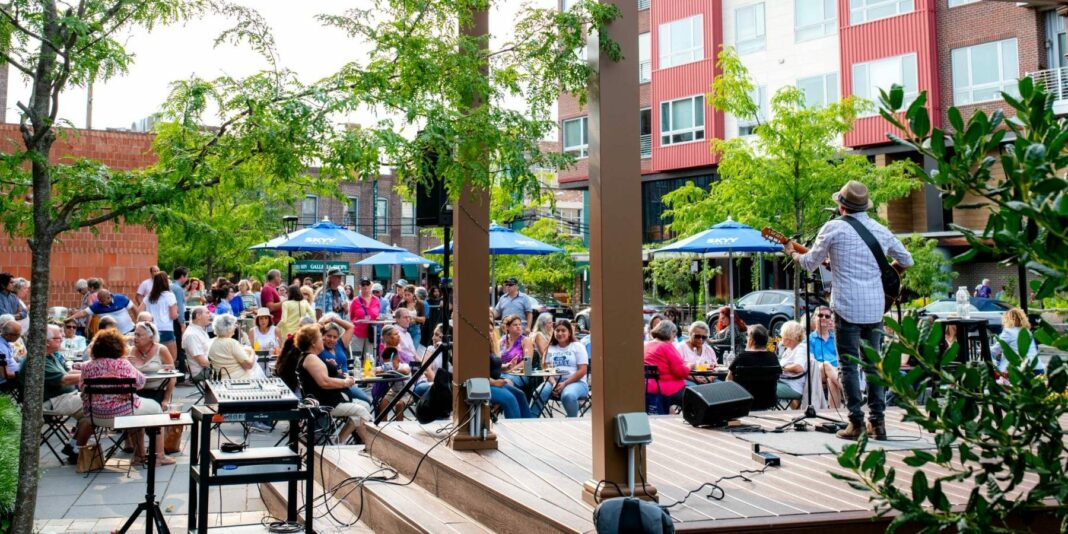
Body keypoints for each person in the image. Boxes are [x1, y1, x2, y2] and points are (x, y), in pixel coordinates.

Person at [787, 180, 913, 441]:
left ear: (841, 206)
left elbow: (810, 263)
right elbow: (907, 260)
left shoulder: (833, 228)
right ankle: (878, 423)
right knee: (874, 366)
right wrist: (887, 273)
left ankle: (855, 422)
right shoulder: (879, 229)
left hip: (847, 307)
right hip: (875, 308)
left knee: (848, 365)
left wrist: (792, 252)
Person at [75, 328, 173, 466]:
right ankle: (159, 455)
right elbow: (140, 383)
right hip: (123, 414)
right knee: (155, 407)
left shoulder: (86, 366)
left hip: (95, 415)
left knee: (137, 412)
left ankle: (139, 455)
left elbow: (81, 387)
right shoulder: (123, 364)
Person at [281, 325, 373, 444]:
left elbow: (324, 376)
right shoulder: (311, 358)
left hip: (329, 399)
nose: (323, 339)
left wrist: (333, 368)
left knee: (365, 405)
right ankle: (370, 447)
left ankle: (339, 441)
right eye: (320, 337)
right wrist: (345, 382)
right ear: (313, 342)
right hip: (325, 403)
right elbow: (324, 382)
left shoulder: (312, 357)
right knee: (362, 412)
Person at [28, 324, 83, 463]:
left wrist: (92, 370)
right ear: (47, 342)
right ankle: (75, 447)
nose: (62, 339)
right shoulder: (39, 360)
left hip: (62, 398)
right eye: (59, 338)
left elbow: (68, 372)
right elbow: (64, 380)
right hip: (50, 402)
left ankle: (74, 446)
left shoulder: (51, 356)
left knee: (91, 412)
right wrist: (95, 375)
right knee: (96, 405)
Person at [535, 319, 589, 417]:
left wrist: (565, 383)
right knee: (539, 393)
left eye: (563, 330)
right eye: (557, 330)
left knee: (568, 395)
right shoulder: (550, 348)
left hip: (577, 382)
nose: (560, 333)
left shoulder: (577, 346)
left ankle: (573, 421)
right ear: (554, 332)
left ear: (569, 332)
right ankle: (531, 420)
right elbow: (546, 370)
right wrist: (554, 384)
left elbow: (582, 370)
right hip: (553, 382)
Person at [644, 320, 693, 409]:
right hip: (667, 390)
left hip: (647, 388)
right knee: (695, 396)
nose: (674, 339)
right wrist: (689, 366)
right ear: (670, 333)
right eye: (674, 335)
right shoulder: (666, 347)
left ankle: (670, 410)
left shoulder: (646, 346)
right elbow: (681, 372)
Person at [129, 321, 176, 410]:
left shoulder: (161, 350)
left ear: (151, 337)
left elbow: (173, 377)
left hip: (156, 392)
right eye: (135, 334)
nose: (135, 338)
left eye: (139, 335)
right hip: (134, 393)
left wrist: (166, 400)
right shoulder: (129, 351)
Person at [139, 271, 179, 363]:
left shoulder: (149, 296)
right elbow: (173, 315)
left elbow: (139, 311)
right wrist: (177, 314)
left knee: (153, 358)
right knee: (171, 358)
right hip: (166, 329)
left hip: (151, 328)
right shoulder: (169, 295)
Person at [208, 314, 263, 381]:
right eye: (234, 324)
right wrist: (252, 352)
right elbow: (249, 365)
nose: (236, 326)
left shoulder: (211, 342)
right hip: (238, 381)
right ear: (229, 328)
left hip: (219, 380)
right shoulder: (232, 343)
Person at [991, 307, 1045, 374]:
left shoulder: (1008, 332)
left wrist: (982, 349)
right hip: (1037, 367)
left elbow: (994, 350)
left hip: (1020, 370)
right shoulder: (1027, 331)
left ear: (1007, 319)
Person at [808, 306, 843, 408]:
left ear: (830, 320)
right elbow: (811, 361)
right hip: (818, 371)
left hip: (835, 372)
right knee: (826, 365)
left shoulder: (836, 338)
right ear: (814, 318)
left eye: (827, 316)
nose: (823, 318)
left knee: (831, 381)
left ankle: (834, 413)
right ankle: (850, 393)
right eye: (820, 315)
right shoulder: (810, 339)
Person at [69, 289, 137, 334]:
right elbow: (83, 313)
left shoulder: (121, 298)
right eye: (99, 300)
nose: (100, 302)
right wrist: (70, 318)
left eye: (102, 301)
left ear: (109, 297)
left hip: (129, 331)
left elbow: (134, 309)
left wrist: (138, 322)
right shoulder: (97, 305)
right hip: (112, 336)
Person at [776, 321, 810, 409]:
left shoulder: (801, 348)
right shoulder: (788, 350)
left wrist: (782, 368)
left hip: (793, 386)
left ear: (789, 337)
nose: (781, 338)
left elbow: (799, 368)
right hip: (785, 382)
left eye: (782, 336)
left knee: (762, 388)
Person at [349, 278, 380, 362]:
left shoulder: (376, 300)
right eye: (363, 284)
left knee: (369, 358)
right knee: (356, 358)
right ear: (360, 286)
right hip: (358, 333)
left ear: (370, 286)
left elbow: (377, 314)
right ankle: (356, 370)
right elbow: (351, 316)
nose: (365, 286)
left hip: (371, 333)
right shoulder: (355, 301)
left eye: (367, 284)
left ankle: (368, 370)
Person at [499, 314, 534, 388]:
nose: (518, 326)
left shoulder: (526, 340)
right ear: (507, 327)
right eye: (515, 325)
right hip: (502, 372)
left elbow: (527, 363)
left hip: (519, 374)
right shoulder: (502, 341)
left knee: (504, 383)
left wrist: (510, 370)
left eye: (520, 324)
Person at [182, 307, 212, 381]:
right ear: (198, 316)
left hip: (207, 368)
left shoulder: (198, 330)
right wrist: (219, 365)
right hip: (202, 371)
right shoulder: (191, 334)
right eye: (207, 313)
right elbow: (202, 362)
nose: (210, 315)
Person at [413, 324, 444, 397]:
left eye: (437, 335)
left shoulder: (453, 352)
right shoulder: (430, 349)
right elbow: (427, 371)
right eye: (434, 334)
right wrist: (439, 385)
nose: (433, 338)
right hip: (427, 382)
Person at [170, 267, 188, 374]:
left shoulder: (169, 286)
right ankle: (180, 372)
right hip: (176, 320)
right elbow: (179, 307)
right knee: (179, 345)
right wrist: (182, 323)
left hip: (169, 320)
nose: (186, 279)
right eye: (186, 276)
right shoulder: (178, 289)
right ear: (182, 276)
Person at [402, 286, 426, 352]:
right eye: (405, 295)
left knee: (413, 351)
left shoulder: (419, 304)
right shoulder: (402, 304)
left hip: (415, 330)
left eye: (409, 295)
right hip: (404, 330)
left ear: (413, 294)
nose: (407, 297)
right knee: (405, 351)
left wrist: (413, 317)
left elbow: (423, 319)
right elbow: (396, 315)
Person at [0, 319, 22, 391]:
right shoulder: (1, 348)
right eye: (18, 335)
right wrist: (22, 373)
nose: (19, 336)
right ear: (8, 335)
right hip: (8, 381)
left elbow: (9, 360)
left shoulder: (4, 342)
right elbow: (4, 374)